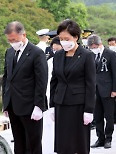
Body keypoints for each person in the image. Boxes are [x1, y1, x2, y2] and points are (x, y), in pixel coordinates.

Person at [50, 19, 96, 154]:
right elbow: (54, 80)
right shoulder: (58, 55)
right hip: (61, 103)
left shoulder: (86, 55)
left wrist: (89, 109)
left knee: (78, 142)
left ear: (75, 37)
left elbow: (91, 84)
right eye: (61, 38)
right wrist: (52, 104)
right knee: (63, 142)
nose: (63, 42)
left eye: (67, 38)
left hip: (79, 105)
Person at [2, 21, 48, 154]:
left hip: (30, 106)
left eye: (14, 39)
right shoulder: (9, 52)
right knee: (19, 141)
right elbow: (7, 78)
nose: (12, 42)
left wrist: (39, 106)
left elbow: (41, 81)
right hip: (13, 105)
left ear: (23, 35)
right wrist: (6, 102)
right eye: (9, 40)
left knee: (32, 143)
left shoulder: (36, 53)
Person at [88, 34, 116, 149]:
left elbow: (115, 73)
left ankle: (108, 138)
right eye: (91, 47)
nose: (93, 49)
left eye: (95, 46)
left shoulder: (111, 54)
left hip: (108, 90)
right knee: (97, 116)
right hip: (94, 90)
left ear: (100, 44)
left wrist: (114, 89)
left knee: (109, 116)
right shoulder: (90, 55)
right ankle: (100, 138)